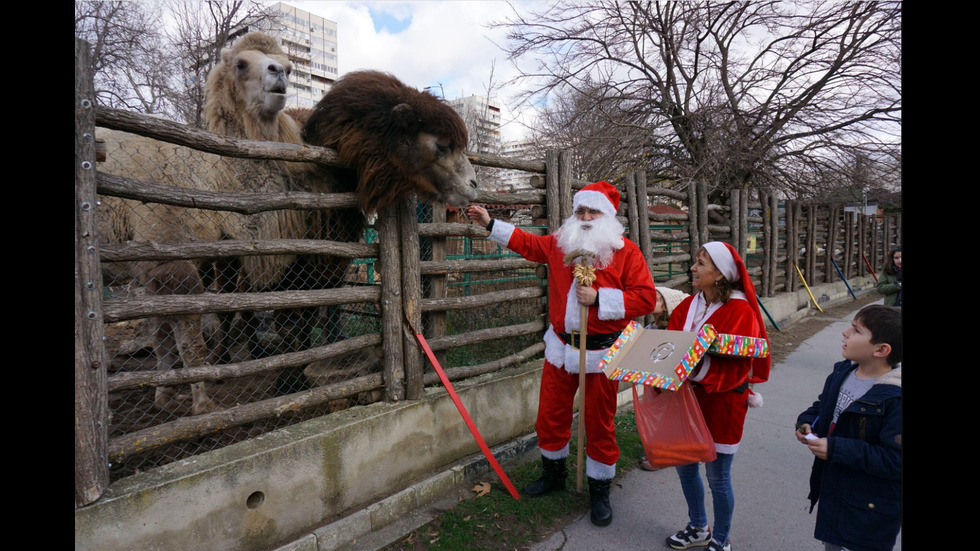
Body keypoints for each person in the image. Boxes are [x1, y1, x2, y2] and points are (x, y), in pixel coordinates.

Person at [466, 181, 658, 527]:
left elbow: (646, 298)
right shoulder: (559, 245)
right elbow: (527, 243)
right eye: (580, 211)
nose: (585, 217)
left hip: (602, 353)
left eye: (592, 211)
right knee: (550, 415)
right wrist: (489, 223)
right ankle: (553, 474)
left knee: (599, 422)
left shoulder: (626, 252)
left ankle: (599, 489)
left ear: (607, 216)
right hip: (560, 348)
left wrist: (600, 299)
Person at [664, 242, 770, 551]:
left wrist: (695, 361)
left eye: (701, 263)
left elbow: (739, 364)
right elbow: (670, 346)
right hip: (685, 399)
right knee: (685, 468)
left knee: (718, 476)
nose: (693, 268)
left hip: (722, 402)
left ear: (721, 275)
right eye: (695, 262)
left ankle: (722, 539)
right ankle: (698, 527)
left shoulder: (741, 311)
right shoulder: (687, 307)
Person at [795, 305, 902, 551]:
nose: (845, 332)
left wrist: (835, 448)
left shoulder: (894, 398)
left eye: (855, 330)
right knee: (832, 544)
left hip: (872, 505)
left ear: (881, 350)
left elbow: (894, 459)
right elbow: (823, 406)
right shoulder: (843, 372)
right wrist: (807, 422)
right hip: (836, 489)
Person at [639, 286, 690, 471]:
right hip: (653, 383)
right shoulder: (649, 328)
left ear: (667, 306)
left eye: (657, 298)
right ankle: (655, 450)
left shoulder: (672, 332)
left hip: (667, 384)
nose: (651, 300)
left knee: (668, 416)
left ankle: (662, 455)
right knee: (656, 414)